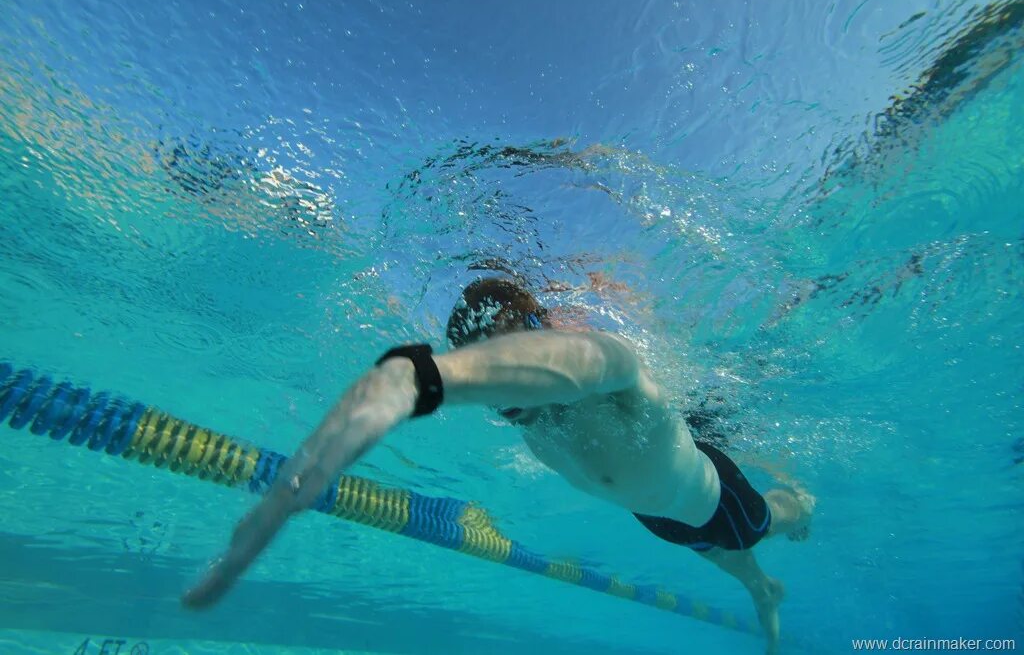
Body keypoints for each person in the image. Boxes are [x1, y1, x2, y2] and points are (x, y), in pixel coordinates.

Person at [182, 277, 813, 653]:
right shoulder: (531, 424)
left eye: (514, 356)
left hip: (716, 495)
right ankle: (763, 590)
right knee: (733, 566)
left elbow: (579, 361)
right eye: (493, 378)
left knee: (766, 526)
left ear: (541, 335)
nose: (508, 398)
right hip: (661, 518)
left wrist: (423, 378)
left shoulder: (612, 373)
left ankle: (799, 507)